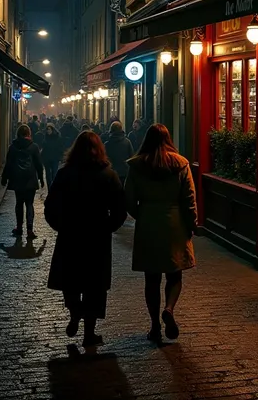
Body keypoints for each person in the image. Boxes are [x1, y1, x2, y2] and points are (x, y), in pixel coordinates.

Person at [44, 131, 127, 347]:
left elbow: (50, 205)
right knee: (95, 286)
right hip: (96, 239)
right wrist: (107, 228)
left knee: (70, 281)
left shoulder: (64, 174)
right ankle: (89, 333)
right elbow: (120, 210)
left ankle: (75, 313)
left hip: (70, 236)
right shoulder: (108, 175)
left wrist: (60, 226)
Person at [125, 124, 197, 344]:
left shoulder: (137, 166)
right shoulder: (181, 163)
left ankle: (155, 325)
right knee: (174, 274)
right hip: (174, 221)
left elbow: (128, 198)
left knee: (151, 278)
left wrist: (142, 214)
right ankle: (169, 308)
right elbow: (189, 197)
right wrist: (191, 223)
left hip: (148, 221)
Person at [1, 124, 44, 239]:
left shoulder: (13, 147)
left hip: (17, 178)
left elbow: (8, 163)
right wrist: (41, 178)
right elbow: (39, 164)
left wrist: (4, 177)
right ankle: (30, 229)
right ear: (29, 134)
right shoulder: (34, 147)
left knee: (19, 203)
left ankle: (19, 227)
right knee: (29, 204)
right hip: (30, 178)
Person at [104, 121, 133, 188]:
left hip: (111, 173)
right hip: (124, 172)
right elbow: (131, 157)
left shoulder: (107, 144)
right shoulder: (127, 142)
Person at [41, 123, 64, 188]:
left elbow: (60, 147)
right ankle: (49, 188)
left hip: (55, 158)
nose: (48, 131)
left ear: (52, 130)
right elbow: (43, 147)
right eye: (47, 129)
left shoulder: (57, 137)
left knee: (54, 173)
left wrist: (60, 156)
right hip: (47, 158)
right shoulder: (45, 137)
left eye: (49, 129)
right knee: (48, 174)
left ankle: (54, 188)